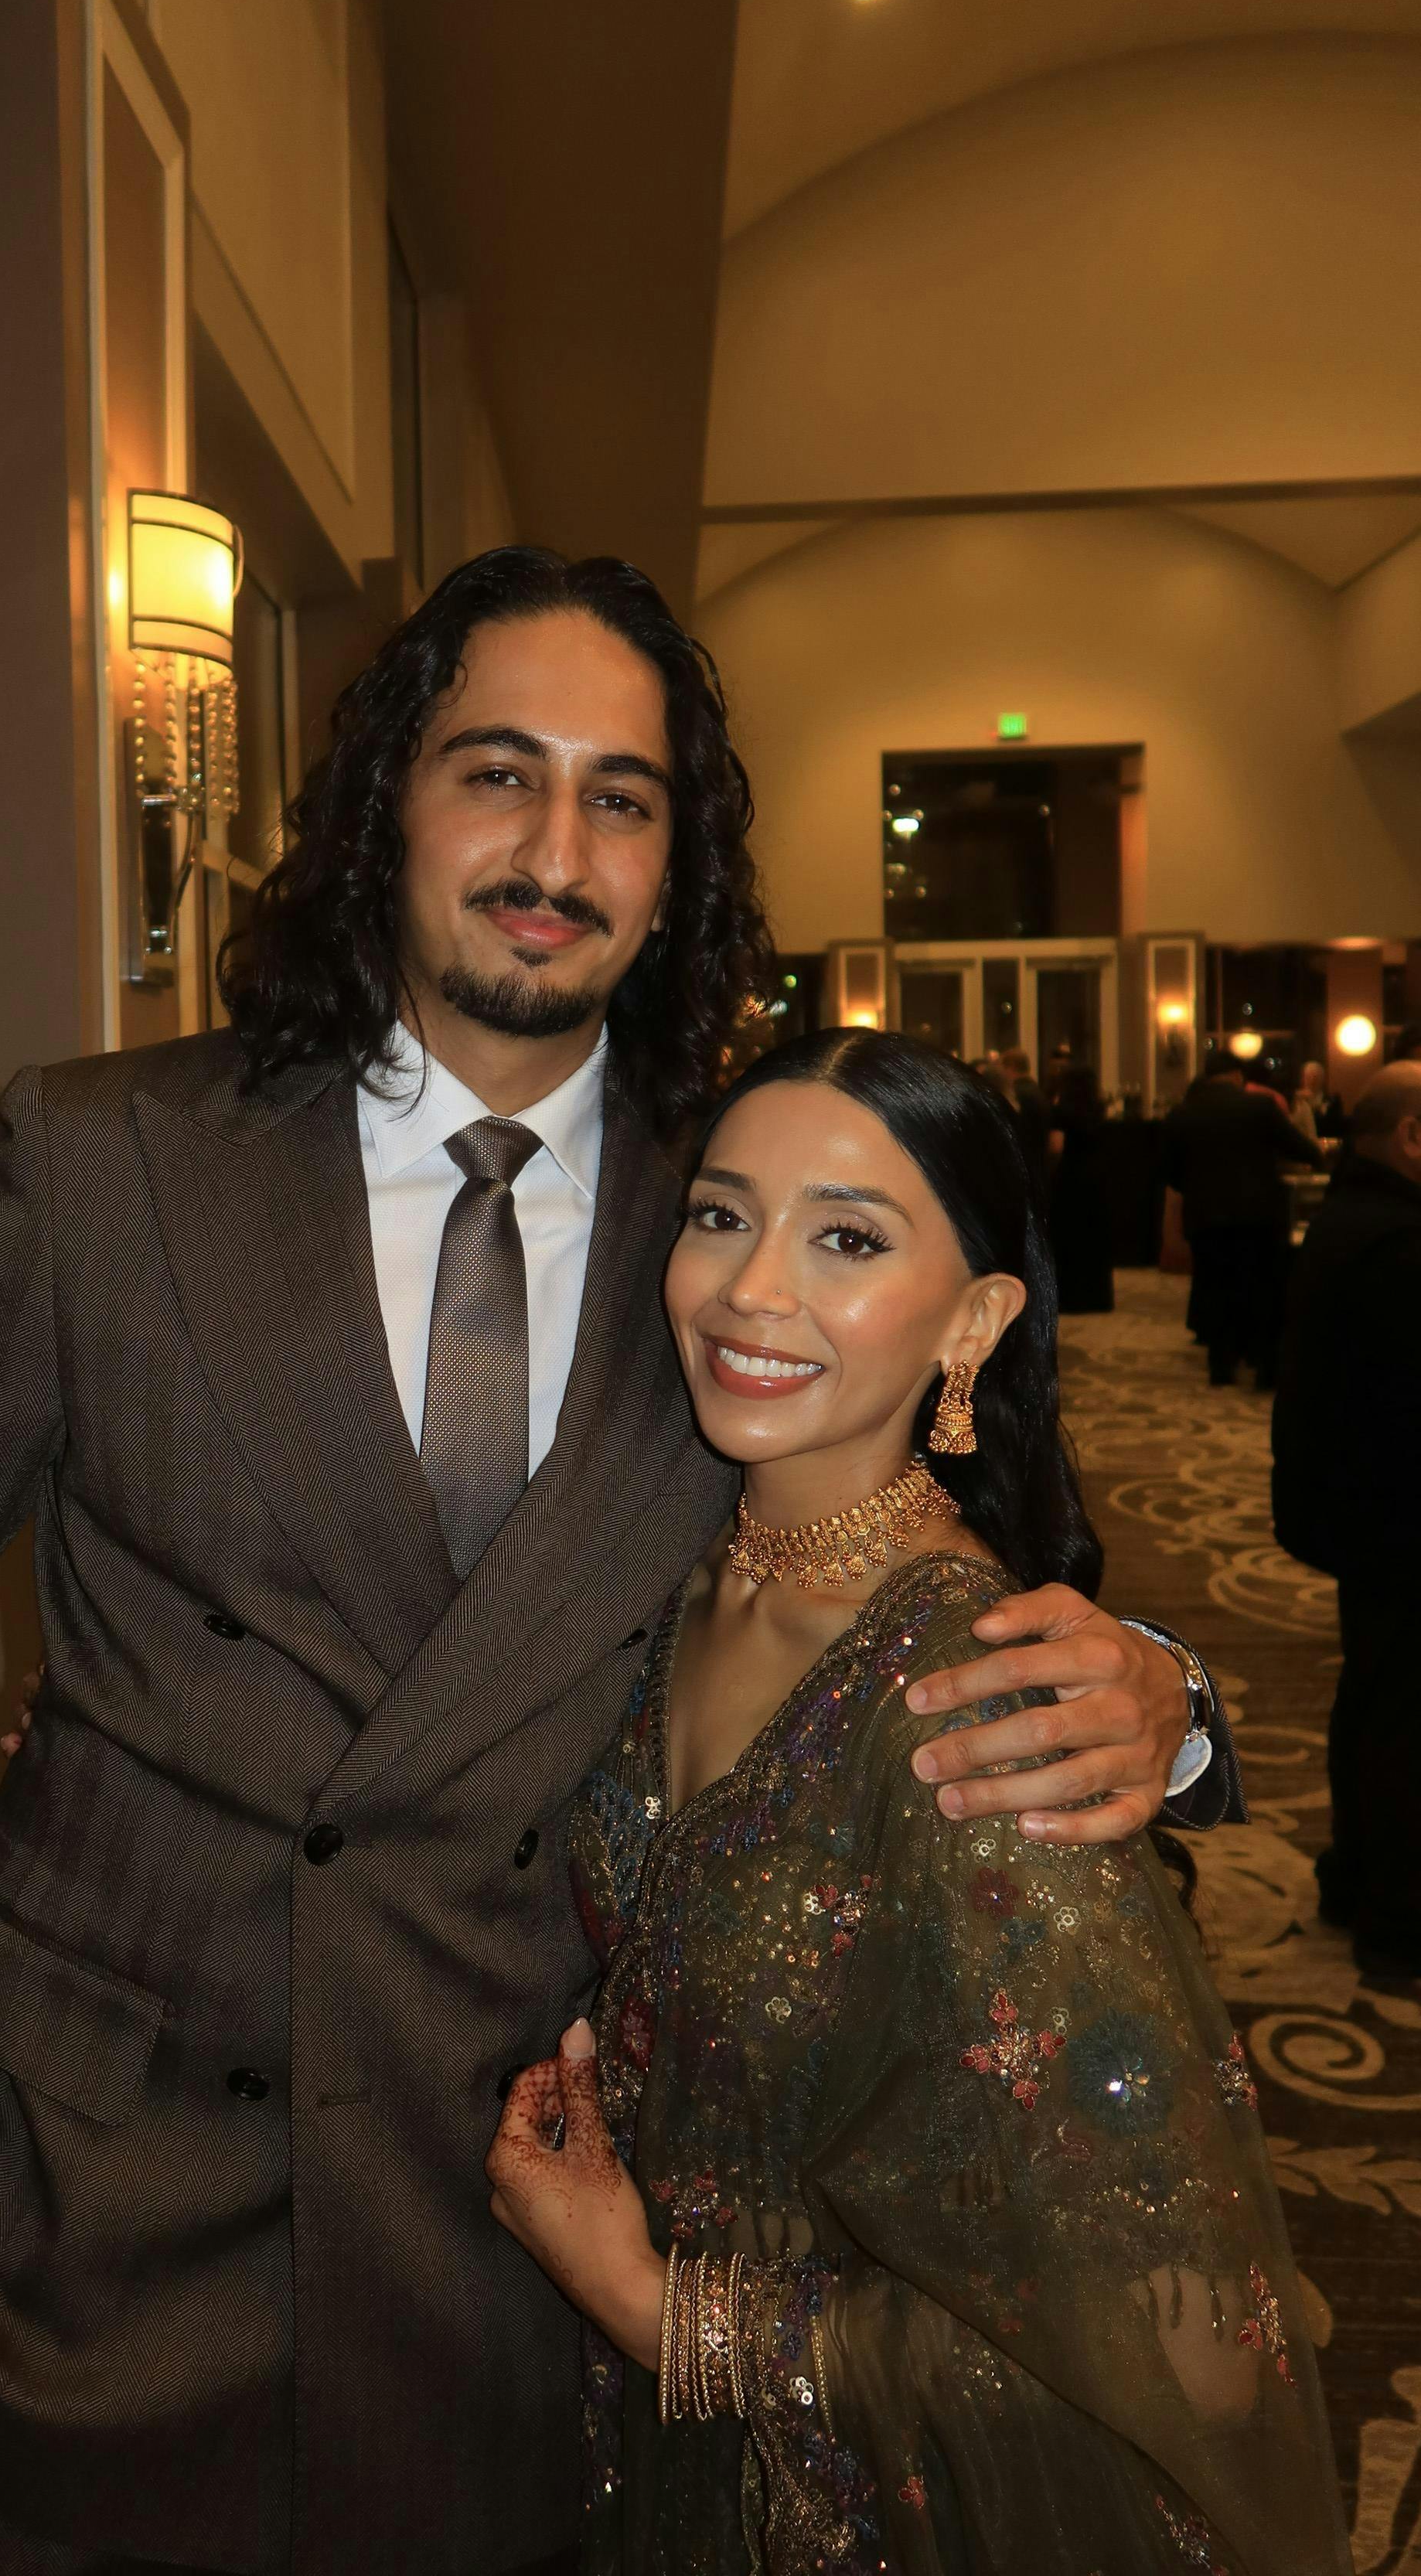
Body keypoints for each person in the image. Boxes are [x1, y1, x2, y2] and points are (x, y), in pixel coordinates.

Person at [0, 547, 1228, 2576]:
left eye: (622, 799)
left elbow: (922, 1542)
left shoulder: (734, 1231)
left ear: (675, 867)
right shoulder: (100, 1171)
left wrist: (1167, 1696)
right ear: (389, 804)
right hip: (75, 2232)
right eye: (497, 773)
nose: (553, 851)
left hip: (508, 2263)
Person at [488, 1029, 1345, 2576]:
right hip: (620, 2458)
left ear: (975, 1318)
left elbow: (1182, 2337)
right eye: (721, 1214)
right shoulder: (666, 1565)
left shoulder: (976, 1704)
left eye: (847, 1238)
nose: (751, 1288)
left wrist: (663, 2314)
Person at [1273, 1061, 1421, 1980]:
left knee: (1375, 1695)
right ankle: (1398, 1917)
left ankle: (1357, 1877)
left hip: (1360, 1505)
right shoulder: (1396, 1242)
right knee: (1400, 1713)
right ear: (1410, 1137)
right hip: (1394, 1514)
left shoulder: (1358, 1217)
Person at [1160, 1048, 1320, 1386]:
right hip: (1259, 1214)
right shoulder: (1260, 1107)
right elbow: (1303, 1150)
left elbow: (1171, 1173)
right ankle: (1265, 1369)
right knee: (1263, 1290)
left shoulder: (1182, 1114)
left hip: (1206, 1216)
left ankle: (1221, 1367)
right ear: (1237, 1076)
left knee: (1216, 1288)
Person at [1045, 1060, 1115, 1312]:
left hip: (1071, 1178)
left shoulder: (1062, 1110)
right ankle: (1098, 1297)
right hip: (1096, 1178)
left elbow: (1056, 1147)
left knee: (1070, 1238)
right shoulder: (1099, 1108)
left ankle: (1072, 1298)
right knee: (1094, 1238)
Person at [997, 1044, 1049, 1200]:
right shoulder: (1039, 1092)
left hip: (1023, 1166)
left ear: (1011, 1067)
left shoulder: (1015, 1095)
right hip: (1040, 1164)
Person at [1290, 1058, 1344, 1146]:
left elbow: (1336, 1126)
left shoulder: (1332, 1101)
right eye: (1309, 1077)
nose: (1312, 1081)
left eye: (1316, 1077)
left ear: (1322, 1079)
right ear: (1303, 1079)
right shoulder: (1296, 1100)